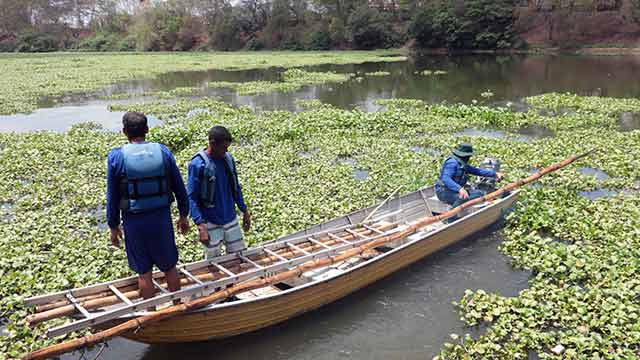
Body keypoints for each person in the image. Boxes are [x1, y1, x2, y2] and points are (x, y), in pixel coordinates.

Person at [107, 111, 190, 301]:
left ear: (124, 131)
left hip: (134, 222)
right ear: (147, 129)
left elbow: (112, 196)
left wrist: (113, 226)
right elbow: (179, 187)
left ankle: (150, 312)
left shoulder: (116, 157)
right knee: (170, 268)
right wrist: (184, 215)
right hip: (161, 219)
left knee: (144, 273)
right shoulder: (163, 152)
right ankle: (177, 306)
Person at [188, 126, 251, 259]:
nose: (226, 150)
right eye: (223, 147)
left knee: (239, 258)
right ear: (212, 143)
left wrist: (244, 211)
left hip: (230, 218)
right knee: (213, 262)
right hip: (210, 221)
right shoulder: (198, 164)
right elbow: (192, 197)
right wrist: (201, 226)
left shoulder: (228, 159)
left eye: (227, 147)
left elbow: (236, 188)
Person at [435, 143, 504, 208]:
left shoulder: (462, 163)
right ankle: (451, 216)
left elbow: (477, 171)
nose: (469, 157)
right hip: (443, 192)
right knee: (464, 197)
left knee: (479, 193)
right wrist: (459, 189)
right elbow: (446, 178)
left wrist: (495, 174)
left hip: (453, 191)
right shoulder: (452, 163)